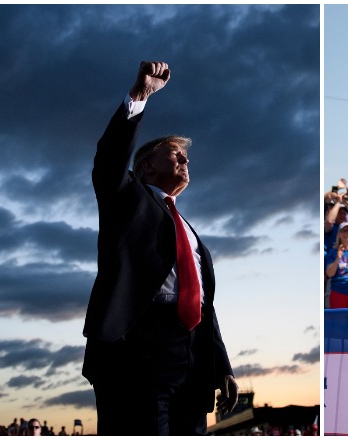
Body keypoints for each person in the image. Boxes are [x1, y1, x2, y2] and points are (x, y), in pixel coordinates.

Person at [81, 61, 238, 435]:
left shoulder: (188, 229)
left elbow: (204, 303)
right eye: (175, 154)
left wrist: (223, 366)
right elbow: (109, 160)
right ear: (147, 168)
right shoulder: (127, 198)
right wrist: (139, 96)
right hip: (136, 350)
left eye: (186, 157)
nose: (185, 160)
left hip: (190, 358)